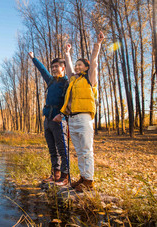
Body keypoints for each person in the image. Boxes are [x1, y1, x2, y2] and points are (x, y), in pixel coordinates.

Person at [58, 31, 105, 191]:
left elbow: (94, 62)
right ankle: (84, 178)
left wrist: (97, 45)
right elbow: (70, 69)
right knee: (79, 151)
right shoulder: (74, 79)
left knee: (86, 150)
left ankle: (89, 181)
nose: (77, 67)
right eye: (77, 64)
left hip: (85, 118)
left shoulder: (89, 79)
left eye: (81, 65)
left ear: (86, 67)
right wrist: (67, 54)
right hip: (72, 118)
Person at [28, 52, 69, 186]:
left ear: (63, 68)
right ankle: (55, 174)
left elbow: (70, 101)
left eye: (56, 66)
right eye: (52, 67)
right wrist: (33, 58)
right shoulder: (51, 80)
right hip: (48, 120)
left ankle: (64, 176)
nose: (53, 69)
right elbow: (42, 70)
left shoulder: (66, 82)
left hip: (59, 120)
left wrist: (62, 115)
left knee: (62, 149)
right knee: (52, 150)